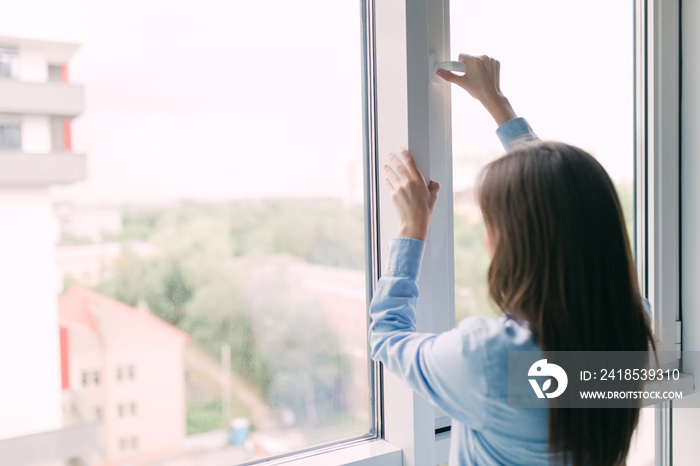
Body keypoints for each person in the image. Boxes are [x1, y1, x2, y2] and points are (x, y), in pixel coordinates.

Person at [368, 54, 655, 466]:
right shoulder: (630, 327)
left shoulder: (489, 359)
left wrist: (412, 229)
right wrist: (499, 106)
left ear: (517, 243)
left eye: (489, 221)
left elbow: (388, 337)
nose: (484, 235)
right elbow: (564, 203)